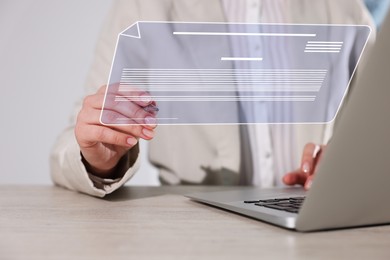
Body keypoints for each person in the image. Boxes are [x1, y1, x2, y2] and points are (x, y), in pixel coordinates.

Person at [50, 0, 375, 197]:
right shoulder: (145, 7)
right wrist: (99, 158)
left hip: (311, 228)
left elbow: (379, 136)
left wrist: (351, 163)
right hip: (194, 233)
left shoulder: (345, 8)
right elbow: (70, 145)